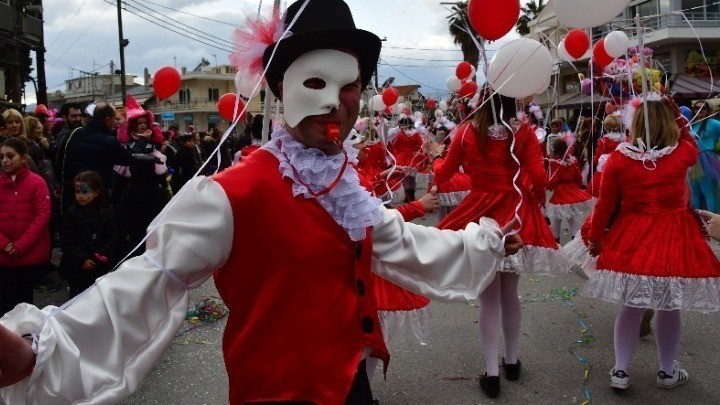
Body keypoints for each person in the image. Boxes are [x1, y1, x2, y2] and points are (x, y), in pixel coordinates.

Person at [0, 1, 522, 403]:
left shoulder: (343, 184)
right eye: (315, 81)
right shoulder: (232, 193)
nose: (334, 100)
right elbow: (146, 281)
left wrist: (489, 241)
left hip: (350, 387)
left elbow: (402, 243)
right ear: (279, 87)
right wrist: (38, 350)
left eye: (351, 85)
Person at [433, 91, 569, 399]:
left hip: (479, 214)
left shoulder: (467, 131)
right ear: (512, 100)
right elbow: (538, 177)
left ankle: (492, 374)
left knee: (488, 296)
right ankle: (511, 362)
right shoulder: (523, 133)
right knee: (510, 292)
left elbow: (445, 173)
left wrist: (438, 159)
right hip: (515, 214)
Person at [583, 97, 720, 391]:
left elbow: (604, 206)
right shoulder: (682, 153)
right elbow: (689, 140)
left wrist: (595, 239)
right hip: (675, 235)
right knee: (669, 306)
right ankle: (667, 371)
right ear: (668, 123)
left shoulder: (618, 159)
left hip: (632, 235)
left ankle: (620, 371)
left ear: (636, 125)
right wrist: (676, 114)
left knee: (631, 305)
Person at [0, 138, 52, 314]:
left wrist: (20, 246)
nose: (5, 160)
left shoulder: (37, 183)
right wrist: (4, 244)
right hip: (3, 255)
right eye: (2, 157)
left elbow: (42, 216)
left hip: (27, 255)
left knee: (24, 304)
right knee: (5, 302)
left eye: (10, 156)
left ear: (23, 158)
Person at [55, 102, 131, 214]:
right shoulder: (109, 142)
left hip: (71, 197)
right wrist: (141, 142)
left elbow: (59, 164)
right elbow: (127, 159)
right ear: (107, 119)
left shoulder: (73, 134)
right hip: (95, 200)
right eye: (115, 119)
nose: (116, 123)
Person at [59, 171, 119, 298]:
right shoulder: (72, 214)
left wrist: (99, 256)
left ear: (96, 192)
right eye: (77, 192)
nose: (80, 196)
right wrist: (82, 259)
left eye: (85, 192)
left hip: (100, 267)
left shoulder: (105, 213)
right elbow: (66, 241)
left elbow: (112, 237)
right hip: (77, 269)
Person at [115, 154, 170, 259]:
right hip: (155, 242)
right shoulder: (160, 192)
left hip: (132, 242)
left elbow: (120, 217)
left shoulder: (127, 192)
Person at [546, 138, 594, 242]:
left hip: (561, 191)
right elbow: (578, 176)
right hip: (572, 189)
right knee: (568, 217)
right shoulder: (572, 161)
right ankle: (573, 238)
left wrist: (549, 186)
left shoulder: (554, 163)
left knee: (559, 217)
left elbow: (553, 179)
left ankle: (558, 239)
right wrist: (577, 187)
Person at [689, 101, 720, 213]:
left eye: (703, 108)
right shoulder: (692, 124)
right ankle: (697, 221)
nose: (700, 110)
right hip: (693, 160)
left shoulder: (715, 124)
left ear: (708, 110)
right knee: (694, 193)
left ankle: (712, 220)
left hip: (707, 160)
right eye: (697, 108)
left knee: (708, 191)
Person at [587, 115, 626, 197]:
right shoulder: (625, 139)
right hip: (622, 170)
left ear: (606, 127)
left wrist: (595, 160)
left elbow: (596, 159)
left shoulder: (604, 141)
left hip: (606, 170)